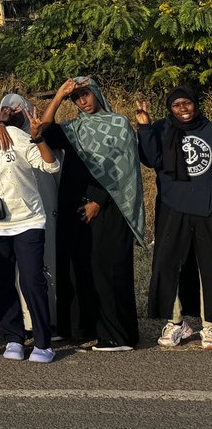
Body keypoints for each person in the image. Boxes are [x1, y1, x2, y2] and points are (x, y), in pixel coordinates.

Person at [41, 77, 145, 352]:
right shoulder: (75, 128)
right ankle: (78, 329)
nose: (82, 101)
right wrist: (58, 96)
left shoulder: (118, 124)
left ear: (97, 93)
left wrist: (98, 201)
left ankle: (118, 336)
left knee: (106, 269)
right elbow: (42, 131)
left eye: (85, 94)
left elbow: (124, 169)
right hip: (74, 205)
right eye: (76, 98)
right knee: (76, 268)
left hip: (109, 208)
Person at [0, 97, 59, 363]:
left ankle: (42, 342)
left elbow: (51, 165)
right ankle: (14, 337)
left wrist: (39, 139)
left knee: (32, 281)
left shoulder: (14, 135)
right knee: (2, 283)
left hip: (27, 219)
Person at [136, 86, 212, 350]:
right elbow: (150, 159)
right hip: (172, 205)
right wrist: (144, 127)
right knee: (169, 265)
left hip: (206, 207)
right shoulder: (162, 128)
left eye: (187, 103)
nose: (183, 109)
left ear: (195, 104)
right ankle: (176, 322)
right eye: (177, 105)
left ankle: (209, 325)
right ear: (170, 108)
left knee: (208, 267)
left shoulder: (209, 129)